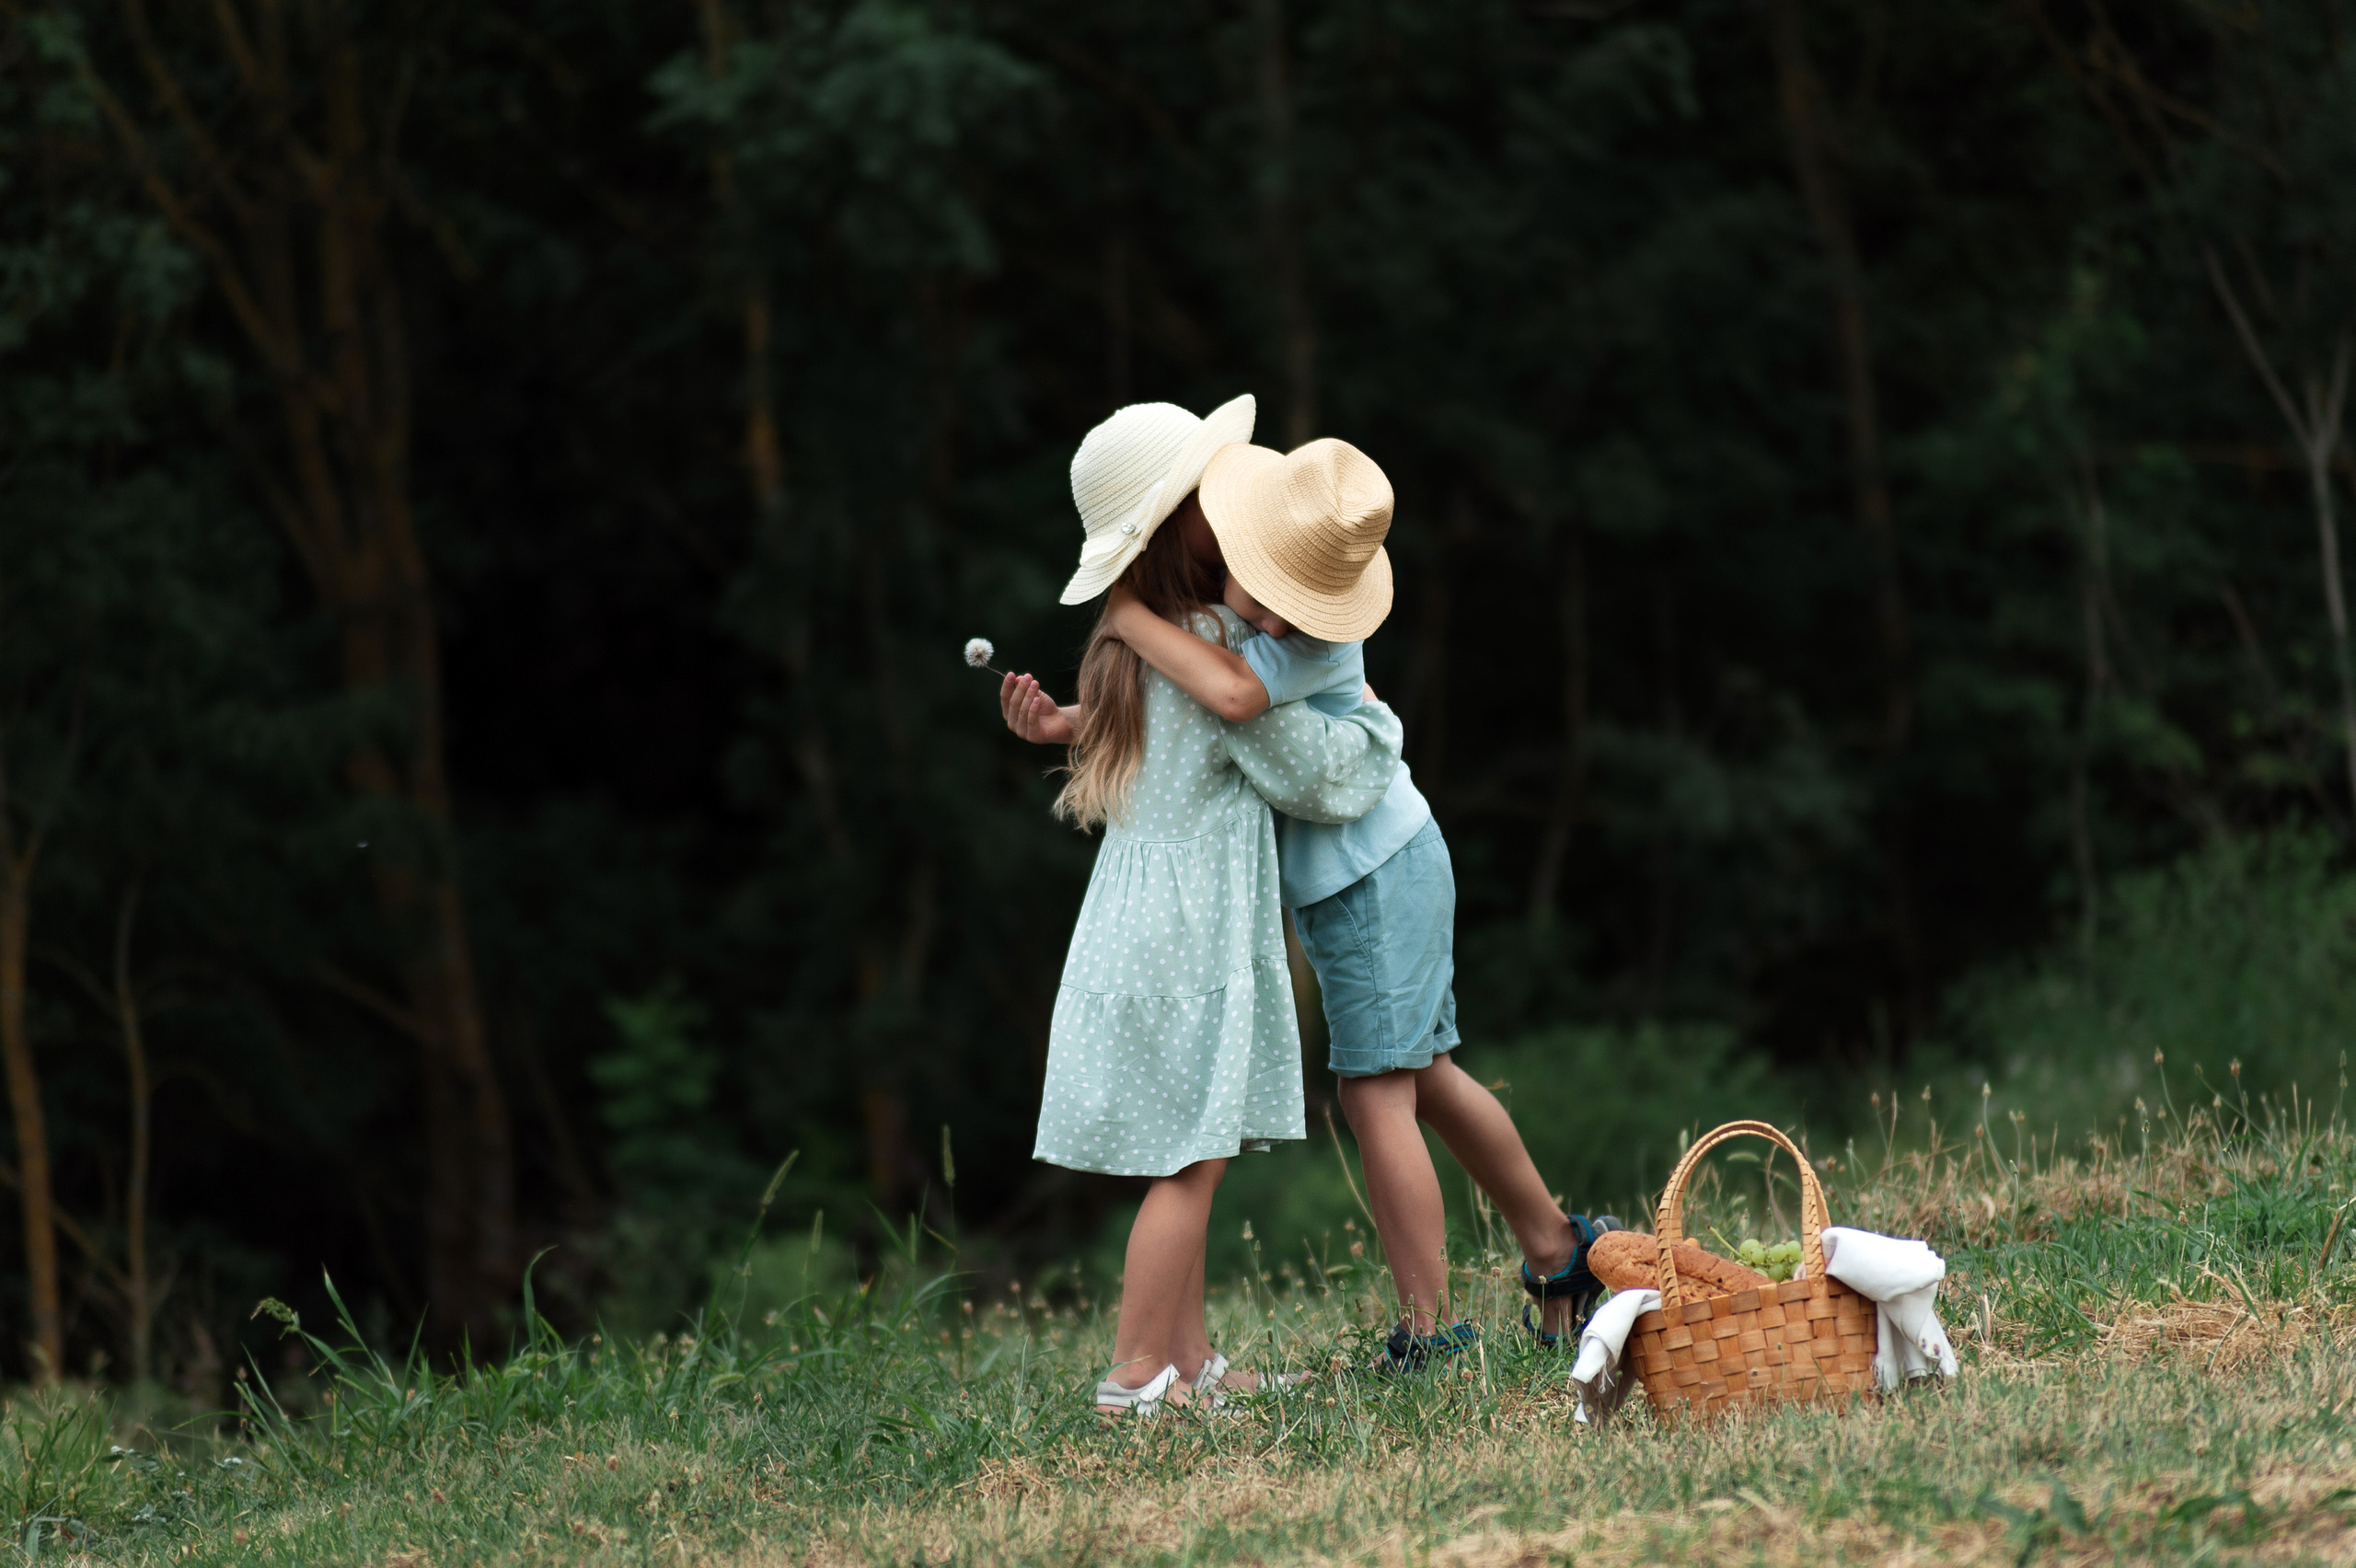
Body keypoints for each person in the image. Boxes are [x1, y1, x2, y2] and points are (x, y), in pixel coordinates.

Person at [1052, 435, 1619, 1371]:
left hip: (1370, 874)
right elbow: (1183, 712)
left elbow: (1226, 698)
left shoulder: (1304, 636)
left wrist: (1122, 614)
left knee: (1374, 1096)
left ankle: (1428, 1333)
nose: (1275, 621)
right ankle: (1559, 1253)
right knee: (1424, 1077)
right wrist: (1073, 722)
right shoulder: (1258, 625)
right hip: (1376, 869)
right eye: (1264, 594)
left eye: (1292, 606)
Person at [1006, 395, 1409, 1413]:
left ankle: (1187, 1365)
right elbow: (1293, 765)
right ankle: (1138, 1375)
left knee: (1191, 1148)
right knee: (1190, 1162)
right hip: (1189, 931)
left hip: (1146, 917)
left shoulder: (1150, 637)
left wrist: (1068, 722)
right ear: (1180, 516)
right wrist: (1375, 735)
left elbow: (1159, 735)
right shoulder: (1213, 644)